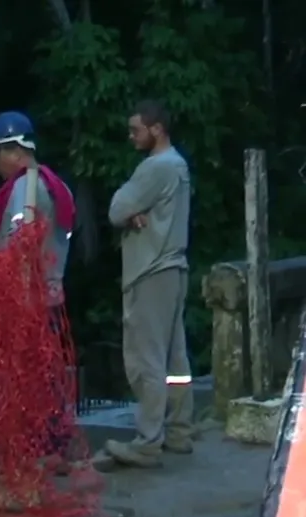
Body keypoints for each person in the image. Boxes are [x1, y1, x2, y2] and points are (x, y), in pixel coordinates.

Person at [0, 111, 78, 470]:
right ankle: (54, 447)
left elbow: (22, 244)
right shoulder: (57, 185)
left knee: (30, 378)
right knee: (48, 375)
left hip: (26, 299)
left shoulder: (27, 187)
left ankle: (40, 452)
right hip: (49, 296)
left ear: (14, 150)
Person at [103, 99, 195, 468]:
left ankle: (148, 441)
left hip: (150, 270)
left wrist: (130, 212)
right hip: (173, 268)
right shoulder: (178, 165)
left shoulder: (155, 168)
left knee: (146, 358)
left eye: (136, 129)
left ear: (156, 129)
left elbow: (115, 209)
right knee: (175, 358)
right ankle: (178, 430)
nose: (131, 136)